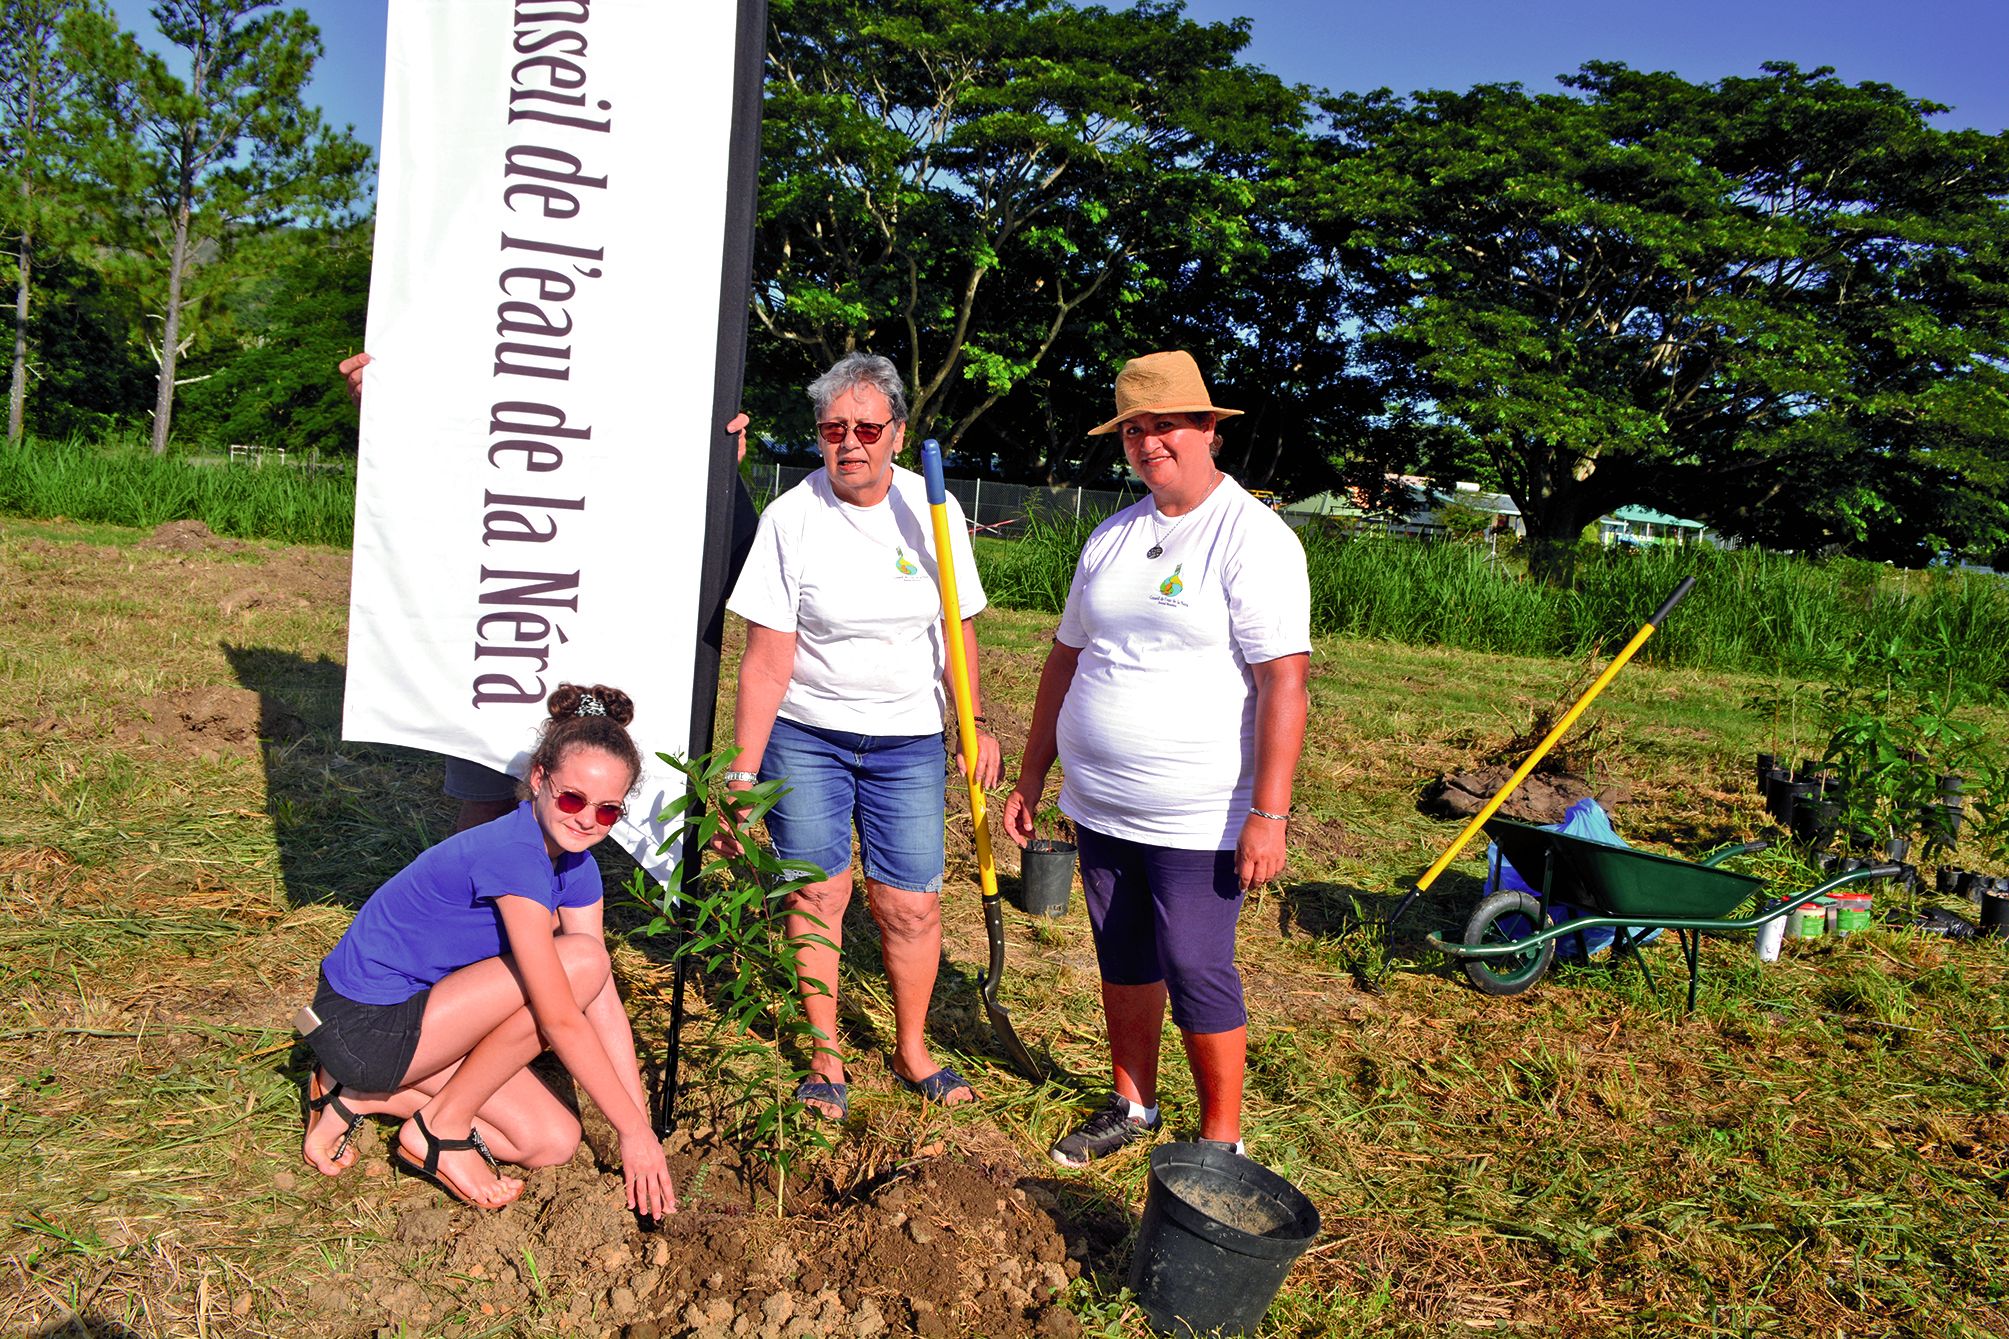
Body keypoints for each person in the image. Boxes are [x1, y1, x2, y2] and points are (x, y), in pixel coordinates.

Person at [1001, 350, 1310, 1167]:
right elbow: (1064, 659)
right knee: (1124, 953)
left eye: (1164, 424)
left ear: (1209, 428)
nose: (1147, 443)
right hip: (1100, 800)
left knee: (1195, 964)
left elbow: (1285, 684)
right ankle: (1133, 1102)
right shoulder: (1112, 536)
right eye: (1133, 429)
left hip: (1200, 811)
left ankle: (1220, 1139)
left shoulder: (1254, 538)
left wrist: (1268, 813)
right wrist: (1033, 774)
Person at [717, 351, 1000, 1120]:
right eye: (833, 427)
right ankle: (824, 1054)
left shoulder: (931, 509)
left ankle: (911, 1048)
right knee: (817, 891)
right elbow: (766, 659)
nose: (850, 442)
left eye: (867, 427)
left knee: (909, 904)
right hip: (807, 734)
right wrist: (742, 775)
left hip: (907, 739)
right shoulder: (791, 517)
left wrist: (970, 722)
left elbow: (956, 625)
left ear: (897, 433)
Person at [338, 351, 757, 833]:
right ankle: (474, 904)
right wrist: (393, 411)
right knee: (491, 798)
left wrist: (724, 473)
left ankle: (561, 897)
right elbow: (438, 475)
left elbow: (737, 558)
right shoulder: (504, 380)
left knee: (588, 799)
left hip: (605, 623)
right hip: (506, 622)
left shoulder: (650, 379)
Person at [298, 684, 676, 1217]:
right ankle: (435, 1126)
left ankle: (352, 1094)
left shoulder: (576, 863)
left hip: (426, 1017)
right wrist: (631, 1131)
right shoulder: (515, 855)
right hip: (364, 1021)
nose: (586, 819)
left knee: (552, 1141)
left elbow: (602, 1001)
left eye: (608, 811)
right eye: (572, 798)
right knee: (583, 960)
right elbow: (563, 1016)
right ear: (539, 780)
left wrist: (640, 1132)